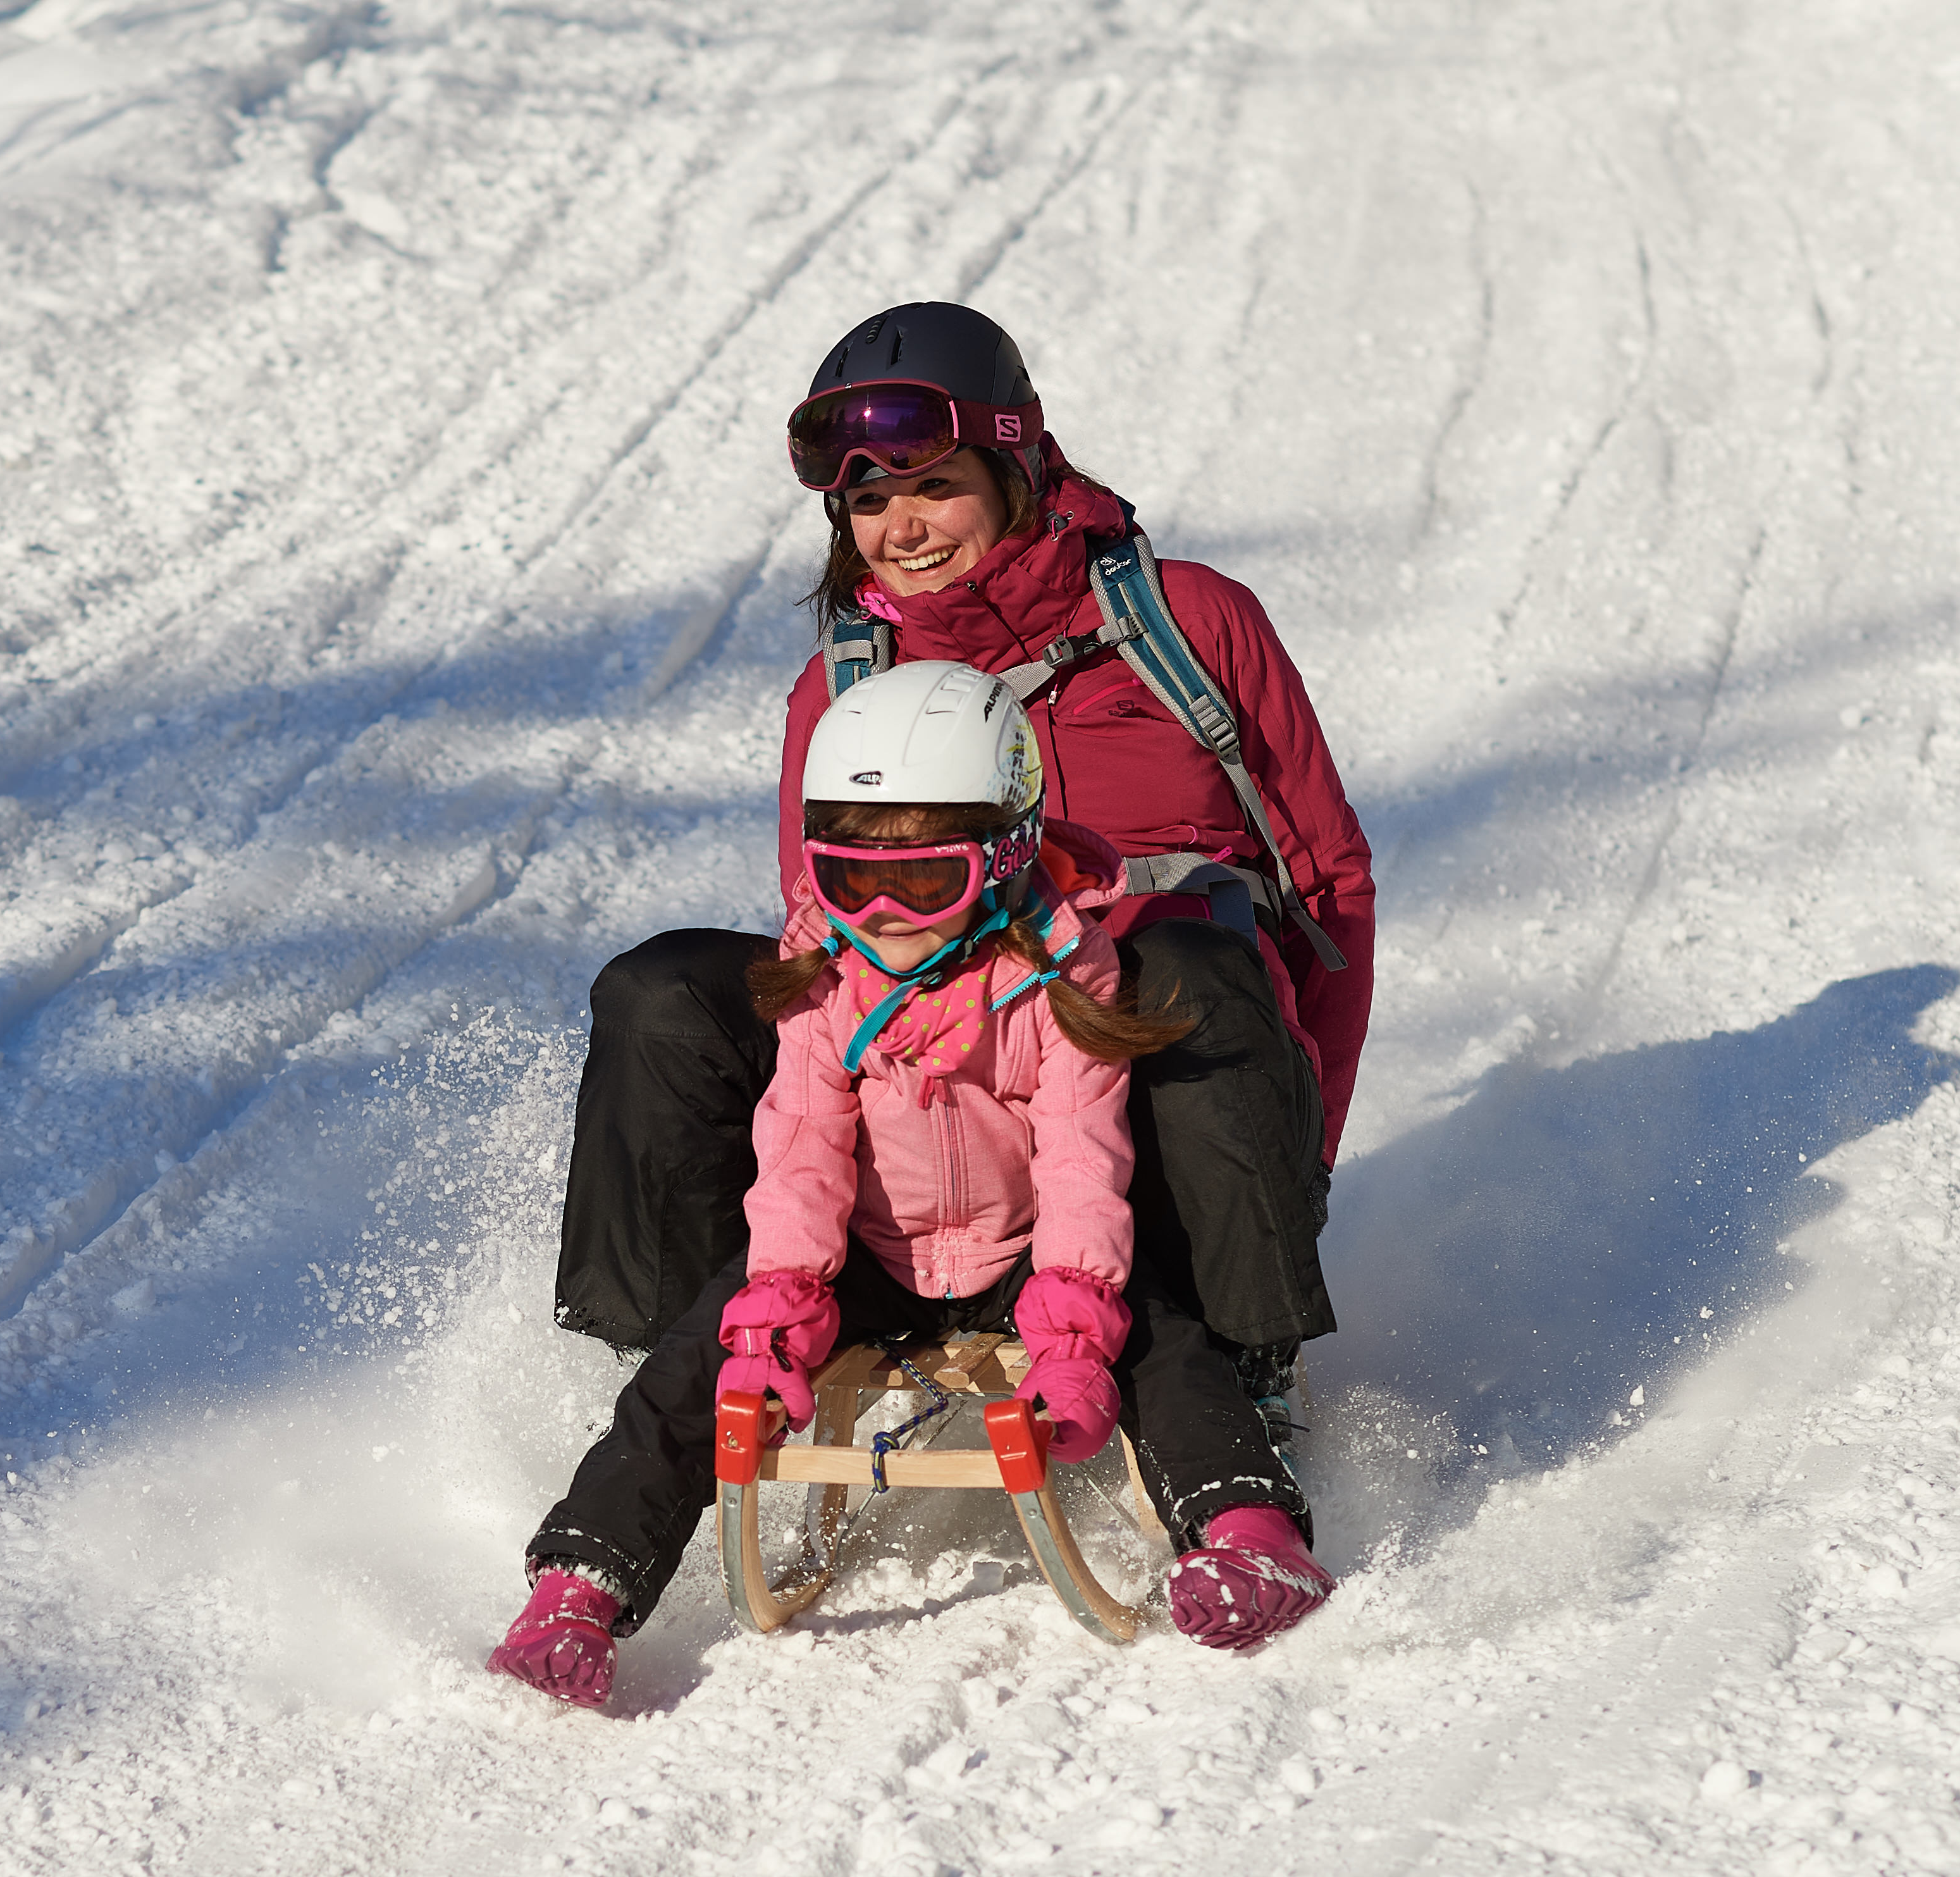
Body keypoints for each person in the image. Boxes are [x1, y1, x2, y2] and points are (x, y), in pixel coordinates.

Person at [544, 302, 1374, 1582]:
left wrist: (1296, 1160)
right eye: (872, 505)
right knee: (662, 993)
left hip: (1156, 1092)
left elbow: (1329, 888)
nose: (905, 528)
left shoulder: (1191, 625)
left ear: (1017, 464)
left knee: (1196, 948)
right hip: (958, 1101)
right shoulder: (843, 684)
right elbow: (833, 944)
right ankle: (697, 1354)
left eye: (935, 486)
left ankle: (1247, 1361)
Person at [490, 662, 1338, 1709]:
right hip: (869, 1253)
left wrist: (1075, 1334)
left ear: (1005, 855)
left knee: (1164, 1346)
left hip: (1024, 1249)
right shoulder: (823, 975)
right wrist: (781, 1305)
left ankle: (1249, 1533)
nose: (885, 913)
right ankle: (578, 1589)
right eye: (852, 881)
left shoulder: (1065, 974)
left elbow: (1084, 1157)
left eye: (927, 882)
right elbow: (800, 1152)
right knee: (692, 1367)